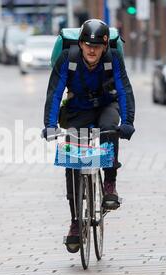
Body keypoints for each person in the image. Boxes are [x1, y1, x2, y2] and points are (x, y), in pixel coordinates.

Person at [42, 19, 136, 242]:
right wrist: (49, 125)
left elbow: (124, 90)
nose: (92, 50)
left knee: (109, 128)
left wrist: (128, 121)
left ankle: (109, 182)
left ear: (105, 47)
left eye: (97, 46)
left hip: (106, 105)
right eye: (87, 44)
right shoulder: (69, 59)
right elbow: (55, 92)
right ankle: (76, 223)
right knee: (72, 161)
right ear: (81, 44)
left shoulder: (113, 59)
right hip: (78, 110)